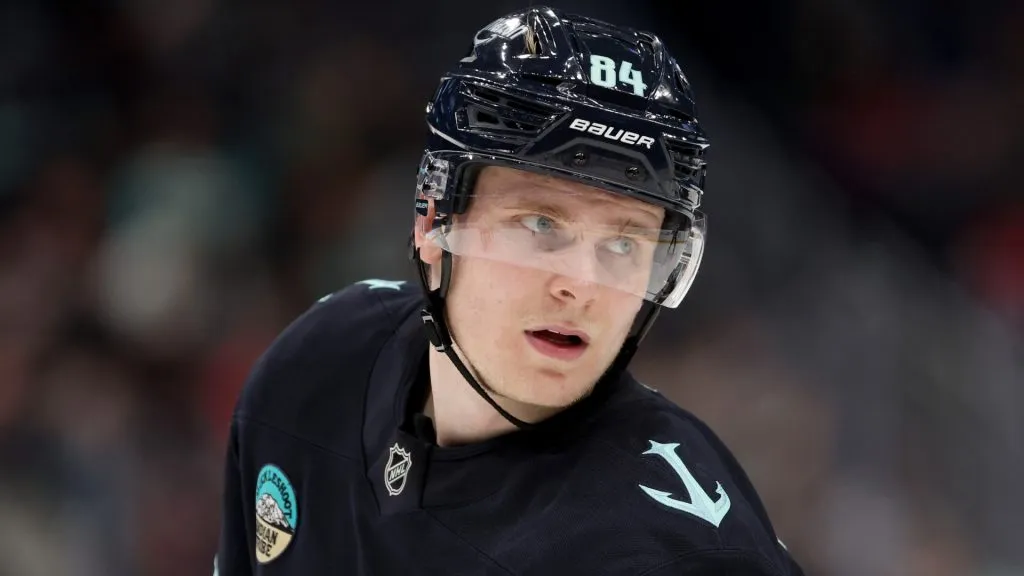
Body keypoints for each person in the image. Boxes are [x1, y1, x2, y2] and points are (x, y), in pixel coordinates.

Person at [215, 6, 805, 575]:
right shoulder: (315, 369)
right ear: (432, 221)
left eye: (624, 246)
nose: (582, 286)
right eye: (541, 225)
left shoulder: (671, 555)